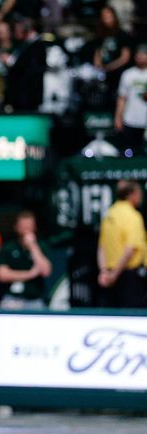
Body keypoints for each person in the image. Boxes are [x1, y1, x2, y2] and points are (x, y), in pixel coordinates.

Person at [97, 180, 146, 308]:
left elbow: (101, 247)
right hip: (129, 277)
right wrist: (114, 275)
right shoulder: (132, 216)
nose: (140, 196)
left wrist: (104, 272)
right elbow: (130, 249)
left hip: (109, 275)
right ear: (130, 195)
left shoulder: (109, 214)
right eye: (138, 192)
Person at [0, 211, 52, 309]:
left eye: (29, 226)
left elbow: (46, 271)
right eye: (23, 226)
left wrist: (33, 246)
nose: (26, 230)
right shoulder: (9, 247)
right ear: (16, 227)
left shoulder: (41, 246)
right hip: (12, 298)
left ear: (34, 227)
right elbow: (2, 275)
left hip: (35, 299)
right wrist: (31, 274)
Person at [115, 45, 147, 156]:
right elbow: (122, 98)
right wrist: (118, 117)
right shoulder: (128, 74)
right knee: (128, 152)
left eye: (144, 54)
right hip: (130, 119)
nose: (141, 57)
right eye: (138, 54)